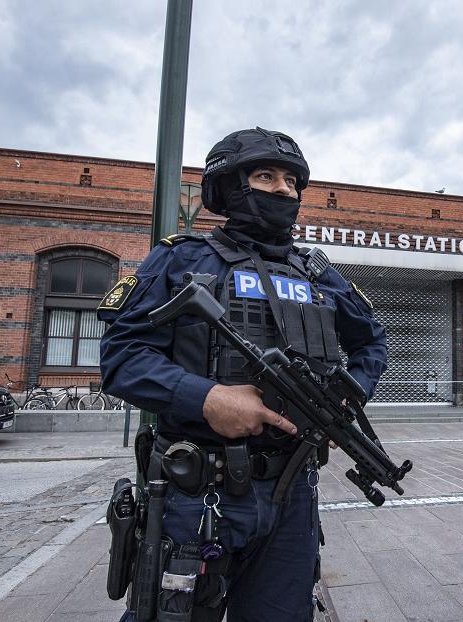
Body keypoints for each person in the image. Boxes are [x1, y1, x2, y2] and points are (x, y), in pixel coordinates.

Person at [98, 127, 388, 621]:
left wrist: (347, 396)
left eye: (292, 181)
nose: (283, 190)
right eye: (266, 176)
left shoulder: (317, 273)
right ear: (231, 186)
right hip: (199, 493)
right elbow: (123, 357)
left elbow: (371, 341)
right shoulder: (181, 258)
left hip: (293, 491)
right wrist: (205, 397)